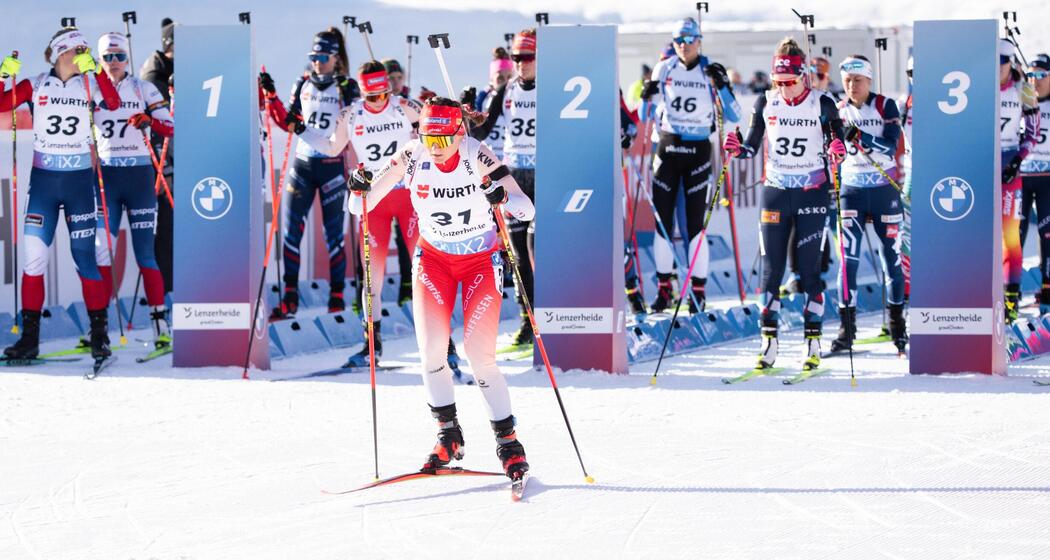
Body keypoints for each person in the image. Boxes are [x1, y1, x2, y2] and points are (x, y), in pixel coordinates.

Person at [347, 97, 534, 481]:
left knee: (480, 357)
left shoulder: (476, 154)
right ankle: (449, 436)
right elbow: (360, 205)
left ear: (459, 133)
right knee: (432, 352)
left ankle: (509, 445)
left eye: (442, 140)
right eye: (428, 138)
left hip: (480, 260)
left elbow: (527, 209)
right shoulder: (411, 155)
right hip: (434, 261)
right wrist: (358, 188)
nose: (435, 147)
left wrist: (503, 199)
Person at [723, 37, 845, 371]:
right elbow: (751, 146)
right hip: (776, 191)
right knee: (770, 271)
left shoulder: (822, 103)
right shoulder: (766, 101)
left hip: (812, 192)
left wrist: (838, 150)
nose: (784, 89)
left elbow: (839, 142)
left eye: (789, 82)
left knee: (809, 271)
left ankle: (812, 342)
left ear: (803, 76)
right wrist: (736, 149)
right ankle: (769, 343)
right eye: (778, 82)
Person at [293, 59, 425, 368]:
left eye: (383, 95)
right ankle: (371, 345)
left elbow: (434, 137)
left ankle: (444, 346)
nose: (378, 102)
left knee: (423, 272)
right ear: (362, 93)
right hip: (373, 199)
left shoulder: (405, 106)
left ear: (389, 89)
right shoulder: (350, 114)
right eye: (371, 97)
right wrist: (300, 129)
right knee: (371, 279)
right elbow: (331, 148)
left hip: (407, 197)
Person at [0, 27, 122, 361]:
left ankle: (99, 337)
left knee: (85, 258)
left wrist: (98, 72)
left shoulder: (90, 83)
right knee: (33, 259)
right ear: (61, 52)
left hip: (79, 184)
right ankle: (29, 339)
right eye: (79, 49)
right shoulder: (36, 84)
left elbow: (113, 104)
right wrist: (2, 76)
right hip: (44, 185)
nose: (85, 54)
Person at [639, 17, 740, 314]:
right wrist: (646, 96)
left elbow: (734, 115)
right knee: (662, 223)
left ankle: (698, 291)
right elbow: (645, 115)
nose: (684, 45)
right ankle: (664, 289)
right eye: (678, 40)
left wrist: (723, 86)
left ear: (699, 41)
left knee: (695, 225)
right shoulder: (664, 68)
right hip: (668, 149)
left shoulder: (710, 70)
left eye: (689, 40)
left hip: (697, 151)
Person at [259, 27, 360, 318]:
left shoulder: (345, 85)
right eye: (313, 57)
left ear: (335, 58)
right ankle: (290, 298)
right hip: (303, 165)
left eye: (323, 57)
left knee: (334, 236)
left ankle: (337, 298)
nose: (317, 62)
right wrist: (272, 96)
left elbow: (356, 123)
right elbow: (287, 122)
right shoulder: (302, 83)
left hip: (332, 166)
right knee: (290, 233)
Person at [93, 32, 174, 351]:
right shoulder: (91, 88)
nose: (114, 62)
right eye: (107, 57)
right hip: (107, 179)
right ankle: (98, 329)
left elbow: (171, 127)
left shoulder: (143, 88)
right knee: (102, 252)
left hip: (139, 178)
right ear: (100, 59)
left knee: (146, 255)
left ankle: (160, 327)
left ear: (128, 58)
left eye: (120, 56)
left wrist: (149, 121)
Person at [830, 55, 906, 354]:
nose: (852, 86)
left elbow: (891, 145)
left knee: (892, 259)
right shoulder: (838, 110)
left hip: (884, 190)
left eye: (858, 80)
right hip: (852, 192)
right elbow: (832, 151)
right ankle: (846, 330)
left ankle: (897, 327)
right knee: (848, 260)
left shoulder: (885, 105)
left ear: (869, 80)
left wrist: (861, 136)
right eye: (847, 81)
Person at [470, 28, 538, 351]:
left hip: (544, 176)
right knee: (519, 256)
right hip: (514, 178)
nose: (521, 63)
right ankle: (528, 322)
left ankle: (552, 316)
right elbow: (482, 132)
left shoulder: (552, 88)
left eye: (528, 57)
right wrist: (468, 115)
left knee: (536, 249)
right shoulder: (507, 90)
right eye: (517, 58)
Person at [999, 39, 1041, 323]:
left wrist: (1018, 159)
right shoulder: (978, 86)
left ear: (1011, 62)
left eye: (1002, 61)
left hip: (1009, 163)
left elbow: (1033, 131)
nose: (998, 67)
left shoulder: (1023, 89)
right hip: (981, 164)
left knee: (1010, 235)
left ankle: (1011, 300)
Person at [141, 18, 174, 298]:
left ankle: (171, 289)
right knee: (166, 230)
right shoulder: (155, 78)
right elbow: (157, 127)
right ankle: (166, 293)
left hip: (172, 161)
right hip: (160, 164)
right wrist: (163, 169)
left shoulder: (171, 72)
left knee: (172, 229)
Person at [1019, 54, 1050, 313]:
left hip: (1046, 179)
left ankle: (1047, 294)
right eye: (1030, 75)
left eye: (1041, 75)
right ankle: (1011, 293)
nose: (1034, 80)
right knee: (1015, 235)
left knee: (1047, 235)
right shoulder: (1020, 101)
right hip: (1020, 178)